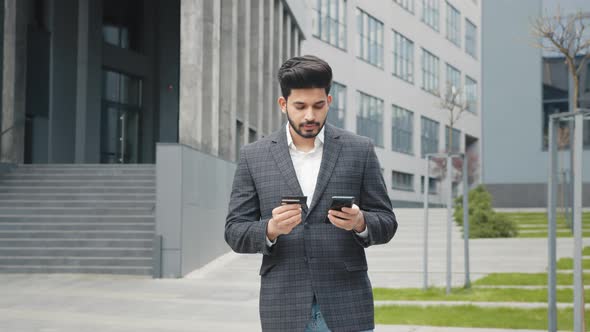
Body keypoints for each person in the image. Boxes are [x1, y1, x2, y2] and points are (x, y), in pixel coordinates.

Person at [224, 55, 397, 332]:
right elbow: (234, 231)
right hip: (284, 307)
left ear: (329, 101)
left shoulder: (359, 150)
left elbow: (387, 222)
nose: (310, 116)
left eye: (318, 106)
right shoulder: (253, 156)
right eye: (300, 106)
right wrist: (270, 228)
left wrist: (361, 223)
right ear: (283, 105)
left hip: (347, 305)